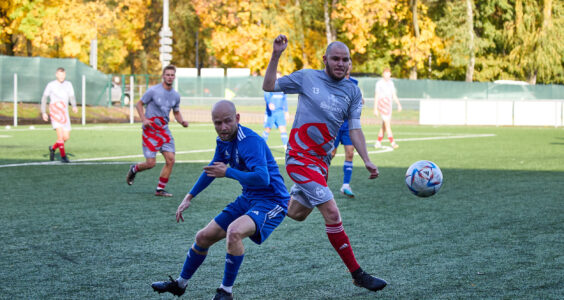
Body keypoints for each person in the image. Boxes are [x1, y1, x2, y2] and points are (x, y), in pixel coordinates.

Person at [263, 35, 387, 293]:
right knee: (332, 212)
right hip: (298, 157)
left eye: (345, 60)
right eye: (336, 58)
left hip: (321, 162)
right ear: (325, 60)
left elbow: (354, 129)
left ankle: (261, 199)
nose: (341, 63)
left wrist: (367, 159)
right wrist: (276, 55)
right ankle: (357, 274)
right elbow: (269, 85)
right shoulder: (307, 77)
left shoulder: (353, 91)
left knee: (296, 213)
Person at [151, 100, 290, 300]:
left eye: (227, 121)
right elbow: (212, 169)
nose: (223, 128)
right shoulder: (223, 141)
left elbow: (263, 178)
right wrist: (189, 196)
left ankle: (226, 292)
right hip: (248, 198)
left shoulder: (249, 141)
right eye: (218, 123)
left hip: (272, 201)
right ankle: (180, 284)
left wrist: (229, 172)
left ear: (237, 118)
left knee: (234, 232)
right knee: (202, 237)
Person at [126, 65, 189, 197]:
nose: (170, 77)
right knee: (150, 163)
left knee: (171, 159)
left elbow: (176, 112)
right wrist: (143, 119)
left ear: (174, 77)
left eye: (172, 75)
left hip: (164, 131)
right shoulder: (153, 91)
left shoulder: (176, 95)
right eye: (167, 74)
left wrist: (182, 121)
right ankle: (134, 169)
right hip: (150, 131)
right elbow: (139, 104)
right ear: (163, 76)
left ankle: (160, 189)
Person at [331, 61, 363, 198]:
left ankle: (345, 185)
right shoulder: (334, 81)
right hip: (335, 124)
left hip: (348, 125)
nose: (347, 66)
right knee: (330, 154)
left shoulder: (354, 83)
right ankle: (319, 182)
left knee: (350, 153)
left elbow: (359, 99)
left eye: (350, 64)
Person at [41, 67, 78, 163]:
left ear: (65, 75)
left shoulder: (68, 84)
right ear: (56, 75)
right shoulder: (51, 85)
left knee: (66, 137)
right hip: (55, 112)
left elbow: (72, 96)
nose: (62, 76)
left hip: (65, 113)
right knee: (60, 136)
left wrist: (74, 106)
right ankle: (63, 157)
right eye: (60, 74)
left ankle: (53, 148)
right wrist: (44, 112)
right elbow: (44, 98)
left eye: (63, 74)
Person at [374, 67, 402, 149]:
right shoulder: (379, 83)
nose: (387, 75)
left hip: (388, 106)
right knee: (387, 124)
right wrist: (375, 108)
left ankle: (378, 142)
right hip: (382, 105)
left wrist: (398, 104)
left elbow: (394, 95)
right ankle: (392, 142)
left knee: (384, 125)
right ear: (383, 74)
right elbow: (376, 96)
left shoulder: (391, 83)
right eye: (386, 73)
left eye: (389, 73)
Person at [262, 74, 289, 149]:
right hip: (271, 113)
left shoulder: (282, 88)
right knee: (268, 129)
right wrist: (269, 103)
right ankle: (261, 146)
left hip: (280, 113)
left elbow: (284, 100)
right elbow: (266, 96)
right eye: (276, 77)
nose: (278, 78)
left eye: (279, 77)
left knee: (283, 129)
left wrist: (286, 111)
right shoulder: (270, 86)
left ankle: (286, 148)